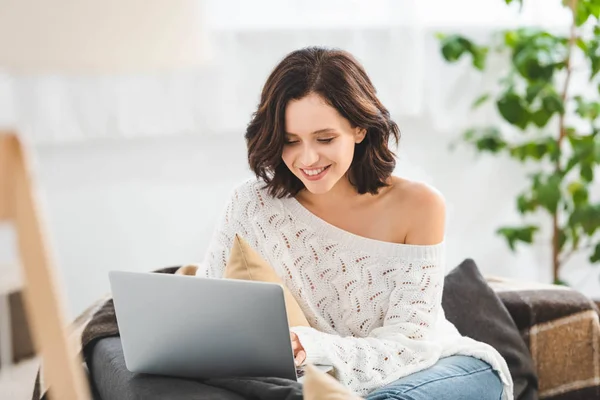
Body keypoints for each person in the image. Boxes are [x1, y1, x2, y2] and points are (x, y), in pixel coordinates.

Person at [197, 47, 513, 400]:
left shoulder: (419, 205)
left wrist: (309, 345)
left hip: (441, 366)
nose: (307, 158)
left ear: (360, 128)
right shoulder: (252, 205)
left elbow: (410, 345)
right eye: (290, 141)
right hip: (332, 385)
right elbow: (206, 309)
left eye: (325, 138)